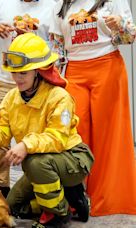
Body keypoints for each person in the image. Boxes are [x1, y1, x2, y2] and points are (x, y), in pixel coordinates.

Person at [0, 33, 94, 228]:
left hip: (72, 158)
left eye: (23, 73)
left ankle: (59, 214)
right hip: (42, 161)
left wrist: (26, 145)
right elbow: (2, 132)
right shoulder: (12, 97)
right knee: (12, 206)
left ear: (39, 71)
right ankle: (73, 200)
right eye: (14, 72)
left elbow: (57, 138)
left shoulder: (59, 97)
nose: (17, 78)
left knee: (33, 163)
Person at [49, 0, 136, 216]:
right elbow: (56, 45)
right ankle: (75, 197)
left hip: (107, 65)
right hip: (74, 71)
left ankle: (109, 199)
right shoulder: (60, 3)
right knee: (75, 133)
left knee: (109, 134)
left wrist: (120, 24)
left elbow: (129, 36)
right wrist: (54, 82)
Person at [0, 0, 57, 197]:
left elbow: (58, 43)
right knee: (0, 133)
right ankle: (1, 184)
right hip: (6, 80)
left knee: (40, 134)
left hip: (38, 80)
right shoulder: (3, 5)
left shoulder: (52, 6)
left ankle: (36, 182)